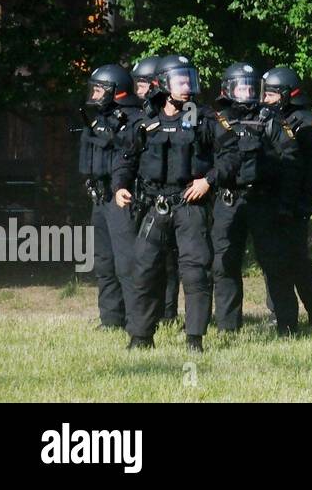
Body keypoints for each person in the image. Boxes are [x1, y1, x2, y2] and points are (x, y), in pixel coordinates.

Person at [113, 55, 238, 351]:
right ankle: (141, 336)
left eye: (189, 80)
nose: (187, 87)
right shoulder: (144, 120)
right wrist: (120, 186)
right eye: (181, 81)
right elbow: (125, 158)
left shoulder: (205, 118)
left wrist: (208, 180)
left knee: (196, 270)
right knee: (143, 269)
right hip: (154, 205)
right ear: (163, 84)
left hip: (189, 205)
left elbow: (231, 156)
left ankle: (194, 338)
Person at [211, 62, 304, 335]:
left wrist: (286, 203)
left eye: (252, 87)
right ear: (228, 90)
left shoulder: (271, 119)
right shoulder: (216, 121)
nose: (247, 93)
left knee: (275, 262)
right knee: (224, 264)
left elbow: (291, 161)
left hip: (264, 200)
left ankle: (287, 325)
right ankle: (228, 327)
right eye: (241, 87)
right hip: (228, 201)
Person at [259, 66, 312, 328]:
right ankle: (278, 313)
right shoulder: (266, 119)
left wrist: (304, 200)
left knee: (298, 260)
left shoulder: (309, 122)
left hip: (296, 204)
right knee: (272, 260)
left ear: (286, 94)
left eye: (269, 94)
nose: (264, 99)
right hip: (271, 200)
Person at [77, 64, 143, 329]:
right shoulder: (97, 118)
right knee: (104, 261)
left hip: (121, 198)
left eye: (99, 89)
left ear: (117, 90)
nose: (94, 94)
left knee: (125, 262)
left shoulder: (133, 119)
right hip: (100, 197)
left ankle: (135, 320)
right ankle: (111, 319)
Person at [131, 55, 181, 323]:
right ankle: (142, 315)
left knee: (168, 262)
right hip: (140, 198)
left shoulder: (173, 117)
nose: (138, 91)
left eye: (142, 85)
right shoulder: (140, 118)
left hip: (165, 199)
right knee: (143, 260)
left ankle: (168, 314)